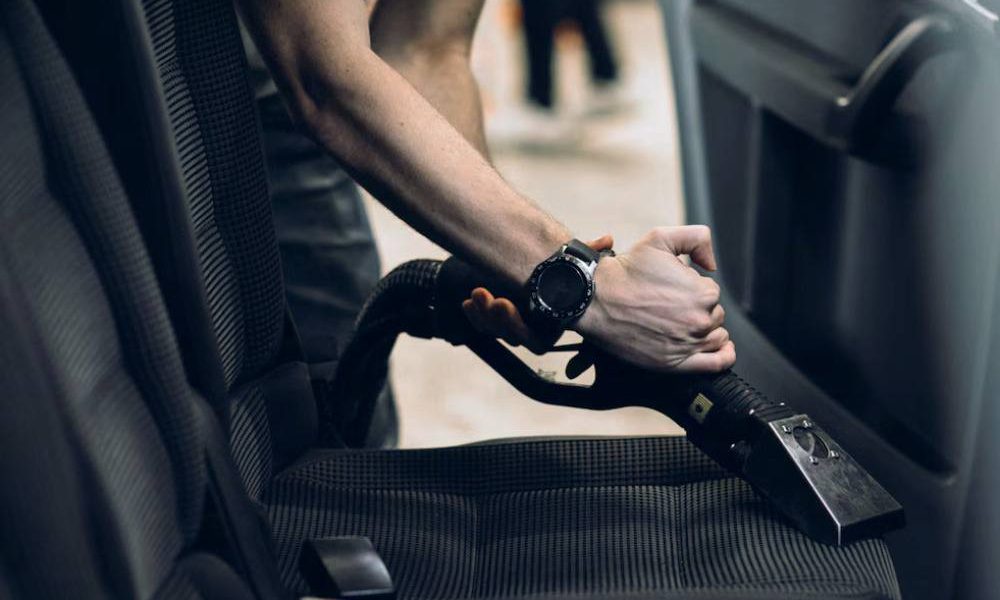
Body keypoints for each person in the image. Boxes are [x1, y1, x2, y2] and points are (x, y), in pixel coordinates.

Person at [235, 0, 735, 375]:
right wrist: (594, 291)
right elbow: (321, 73)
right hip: (196, 99)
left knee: (339, 389)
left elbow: (423, 49)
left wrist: (513, 266)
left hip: (294, 124)